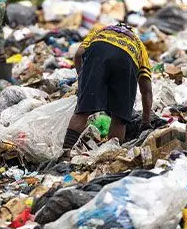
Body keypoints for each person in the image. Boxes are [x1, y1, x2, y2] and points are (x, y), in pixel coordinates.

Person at [62, 23, 153, 152]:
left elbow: (79, 53)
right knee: (119, 118)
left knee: (82, 111)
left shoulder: (100, 30)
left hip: (99, 50)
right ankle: (109, 156)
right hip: (127, 59)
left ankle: (65, 153)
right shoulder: (138, 43)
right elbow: (146, 89)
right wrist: (146, 121)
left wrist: (83, 82)